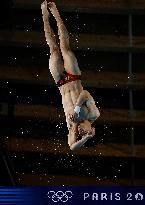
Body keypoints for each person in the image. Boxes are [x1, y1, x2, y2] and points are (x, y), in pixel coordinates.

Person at [41, 1, 100, 151]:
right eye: (84, 134)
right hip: (74, 77)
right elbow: (85, 94)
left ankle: (45, 15)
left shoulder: (73, 126)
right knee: (64, 48)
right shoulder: (93, 114)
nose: (80, 133)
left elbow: (72, 147)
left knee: (53, 50)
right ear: (91, 130)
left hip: (61, 81)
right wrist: (77, 109)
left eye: (80, 136)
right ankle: (56, 13)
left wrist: (85, 139)